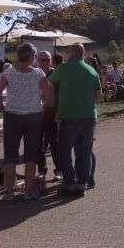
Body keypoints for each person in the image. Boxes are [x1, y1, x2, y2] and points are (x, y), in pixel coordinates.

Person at [0, 42, 51, 201]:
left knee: (10, 154)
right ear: (32, 56)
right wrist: (42, 107)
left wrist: (3, 106)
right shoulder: (38, 73)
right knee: (31, 155)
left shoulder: (8, 72)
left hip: (12, 115)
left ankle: (9, 192)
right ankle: (28, 191)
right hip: (33, 115)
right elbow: (47, 94)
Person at [50, 44, 102, 197]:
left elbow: (50, 84)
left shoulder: (63, 68)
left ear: (72, 53)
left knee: (64, 150)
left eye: (67, 51)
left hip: (69, 115)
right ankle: (82, 183)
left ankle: (69, 182)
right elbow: (99, 97)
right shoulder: (91, 70)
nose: (66, 54)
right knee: (84, 151)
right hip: (89, 116)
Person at [36, 51, 60, 181]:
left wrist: (58, 112)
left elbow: (60, 94)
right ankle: (41, 170)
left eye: (48, 60)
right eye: (42, 60)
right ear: (37, 61)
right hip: (37, 113)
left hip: (52, 112)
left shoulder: (56, 73)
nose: (45, 62)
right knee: (38, 143)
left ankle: (59, 170)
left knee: (55, 143)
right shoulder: (34, 74)